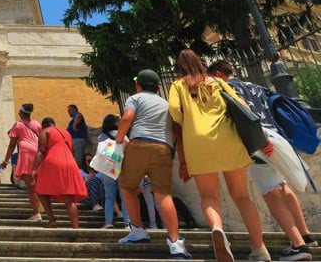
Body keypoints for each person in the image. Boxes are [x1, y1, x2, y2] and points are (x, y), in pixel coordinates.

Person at [209, 60, 316, 261]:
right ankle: (306, 235)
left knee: (270, 193)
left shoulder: (228, 88)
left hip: (257, 141)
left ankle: (298, 245)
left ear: (218, 74)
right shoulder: (256, 86)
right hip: (277, 139)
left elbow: (245, 112)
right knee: (283, 186)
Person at [168, 49, 269, 262]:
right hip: (227, 139)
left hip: (197, 143)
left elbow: (175, 113)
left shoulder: (177, 86)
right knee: (241, 195)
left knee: (209, 196)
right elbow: (243, 105)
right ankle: (260, 249)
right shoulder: (217, 82)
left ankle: (217, 228)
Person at [115, 69, 190, 259]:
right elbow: (177, 134)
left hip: (139, 144)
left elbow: (127, 118)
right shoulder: (166, 104)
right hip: (163, 149)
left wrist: (118, 139)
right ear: (158, 87)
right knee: (163, 194)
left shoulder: (135, 98)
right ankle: (175, 243)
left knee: (127, 187)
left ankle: (139, 231)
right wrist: (182, 162)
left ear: (138, 85)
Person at [32, 117, 87, 228]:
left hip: (52, 162)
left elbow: (41, 151)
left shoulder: (45, 131)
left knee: (42, 191)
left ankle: (52, 221)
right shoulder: (66, 133)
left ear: (44, 125)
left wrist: (34, 169)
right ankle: (75, 227)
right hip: (70, 162)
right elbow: (73, 150)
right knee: (69, 198)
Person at [1, 103, 42, 220]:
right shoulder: (36, 124)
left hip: (26, 153)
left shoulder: (18, 125)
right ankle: (40, 207)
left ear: (20, 113)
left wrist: (5, 160)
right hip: (37, 153)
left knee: (30, 185)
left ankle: (36, 213)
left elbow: (12, 145)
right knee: (37, 182)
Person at [98, 114, 129, 229]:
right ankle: (128, 223)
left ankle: (108, 222)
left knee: (109, 197)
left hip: (108, 169)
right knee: (124, 197)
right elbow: (129, 145)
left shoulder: (101, 136)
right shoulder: (122, 134)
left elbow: (100, 152)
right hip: (121, 168)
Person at [66, 104, 88, 170]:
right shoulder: (71, 122)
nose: (68, 112)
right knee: (75, 159)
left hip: (78, 140)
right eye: (68, 110)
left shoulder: (76, 116)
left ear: (74, 110)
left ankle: (80, 173)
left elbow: (79, 116)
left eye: (70, 110)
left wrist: (74, 126)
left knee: (78, 159)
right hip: (74, 141)